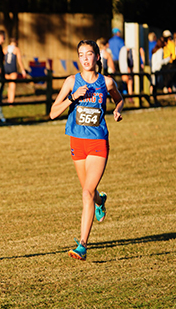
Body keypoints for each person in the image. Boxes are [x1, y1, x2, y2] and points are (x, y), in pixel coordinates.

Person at [49, 40, 123, 261]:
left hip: (98, 143)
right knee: (90, 192)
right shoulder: (72, 82)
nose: (85, 58)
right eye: (81, 54)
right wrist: (73, 97)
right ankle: (101, 201)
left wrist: (118, 110)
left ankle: (82, 244)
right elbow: (53, 112)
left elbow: (120, 100)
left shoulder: (106, 82)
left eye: (89, 54)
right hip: (76, 143)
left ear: (97, 57)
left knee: (85, 193)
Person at [3, 38, 27, 103]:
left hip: (6, 68)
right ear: (16, 42)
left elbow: (2, 58)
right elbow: (19, 60)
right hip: (12, 68)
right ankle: (11, 101)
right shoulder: (16, 49)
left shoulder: (5, 49)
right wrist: (23, 70)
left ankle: (8, 99)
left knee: (8, 85)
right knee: (12, 85)